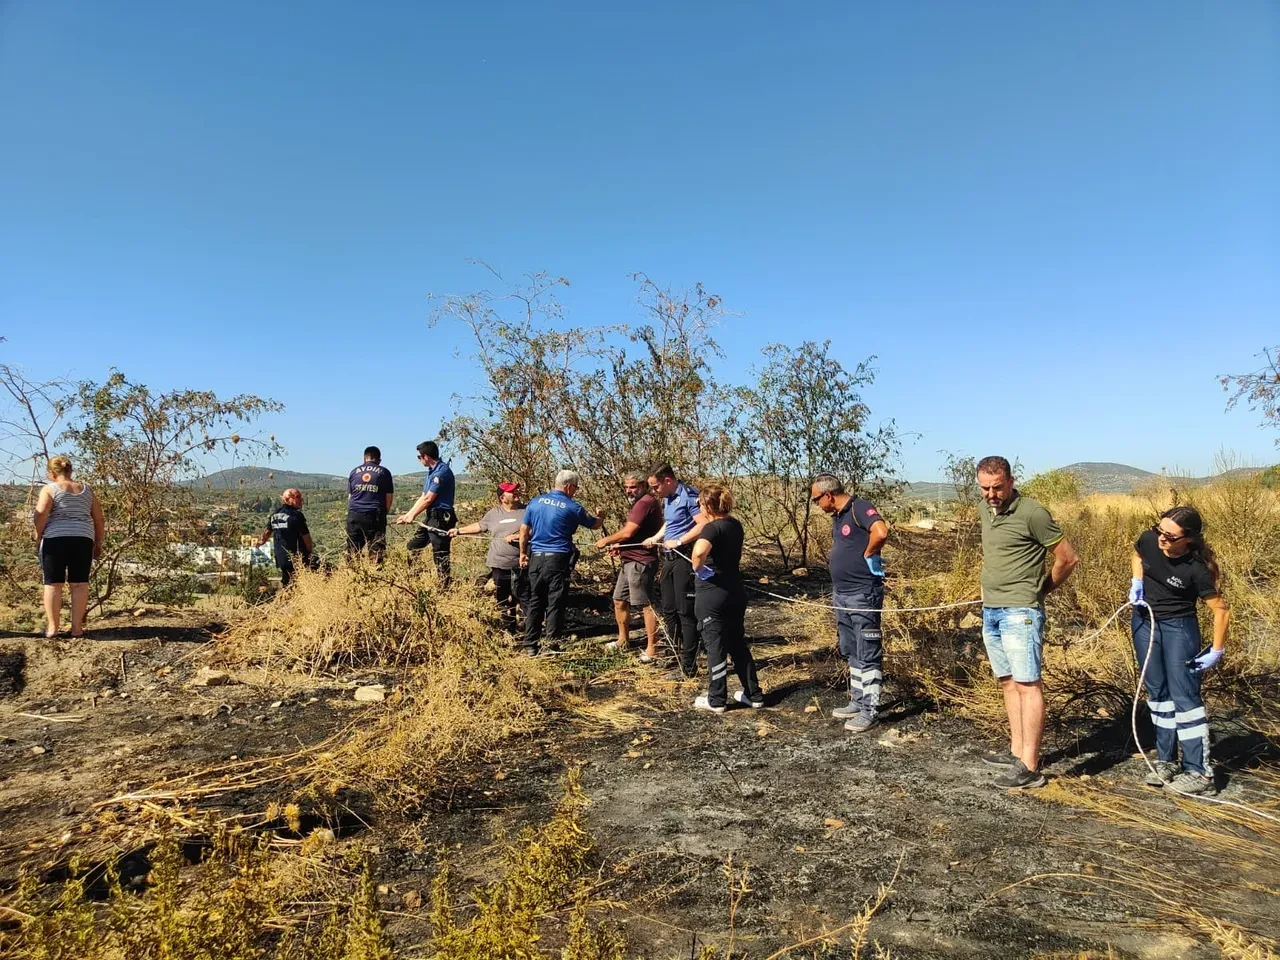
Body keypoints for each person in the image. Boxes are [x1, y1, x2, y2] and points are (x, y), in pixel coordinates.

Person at [976, 455, 1079, 789]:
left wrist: (1042, 589)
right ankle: (1016, 752)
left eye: (997, 487)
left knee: (1027, 684)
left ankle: (1031, 767)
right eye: (984, 488)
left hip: (1020, 612)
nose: (991, 494)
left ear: (1011, 481)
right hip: (990, 609)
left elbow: (1068, 557)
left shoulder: (1033, 513)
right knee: (1008, 682)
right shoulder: (984, 509)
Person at [1129, 506, 1229, 796]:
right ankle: (1166, 760)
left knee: (1184, 696)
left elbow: (1220, 611)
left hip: (1178, 628)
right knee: (1158, 693)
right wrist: (1137, 582)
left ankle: (1199, 772)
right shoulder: (1150, 539)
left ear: (1189, 539)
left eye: (1170, 536)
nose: (1162, 539)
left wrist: (1216, 650)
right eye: (1160, 531)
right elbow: (1137, 554)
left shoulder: (1196, 568)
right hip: (1144, 623)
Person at [810, 473, 889, 733]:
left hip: (863, 593)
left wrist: (869, 552)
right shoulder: (838, 517)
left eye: (816, 499)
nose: (817, 505)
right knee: (851, 649)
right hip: (841, 594)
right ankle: (857, 699)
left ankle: (871, 710)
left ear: (828, 495)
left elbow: (881, 531)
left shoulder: (859, 507)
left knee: (868, 651)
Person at [688, 484, 763, 713]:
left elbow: (699, 552)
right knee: (737, 643)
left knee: (715, 645)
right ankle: (754, 694)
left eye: (700, 503)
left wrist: (698, 567)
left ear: (708, 505)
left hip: (712, 594)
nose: (699, 507)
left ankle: (717, 699)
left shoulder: (711, 528)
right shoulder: (735, 525)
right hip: (735, 591)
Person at [518, 470, 604, 656]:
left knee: (536, 600)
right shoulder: (572, 507)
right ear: (568, 486)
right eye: (575, 488)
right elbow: (594, 525)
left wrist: (523, 553)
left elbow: (524, 530)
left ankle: (530, 644)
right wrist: (601, 516)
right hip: (557, 559)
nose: (575, 492)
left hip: (536, 557)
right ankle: (551, 644)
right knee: (555, 601)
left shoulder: (535, 502)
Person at [643, 464, 706, 681]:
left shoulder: (689, 496)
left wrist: (679, 541)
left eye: (655, 486)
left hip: (683, 558)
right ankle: (673, 654)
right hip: (668, 559)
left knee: (684, 611)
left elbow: (702, 524)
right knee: (668, 610)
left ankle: (689, 665)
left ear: (667, 480)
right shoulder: (667, 498)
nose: (653, 491)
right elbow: (669, 524)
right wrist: (656, 537)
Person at [594, 473, 664, 663]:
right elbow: (635, 534)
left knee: (645, 604)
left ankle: (652, 648)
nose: (628, 491)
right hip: (629, 558)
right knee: (619, 600)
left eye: (632, 487)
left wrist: (607, 540)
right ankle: (623, 640)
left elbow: (629, 531)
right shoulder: (640, 503)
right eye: (627, 487)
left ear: (642, 486)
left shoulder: (645, 502)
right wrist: (620, 545)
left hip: (640, 561)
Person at [33, 455, 104, 639]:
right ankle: (77, 629)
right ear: (70, 471)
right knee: (79, 584)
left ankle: (52, 629)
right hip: (82, 539)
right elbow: (98, 518)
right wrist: (99, 542)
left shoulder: (49, 489)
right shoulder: (87, 490)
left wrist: (38, 534)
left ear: (51, 473)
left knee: (53, 584)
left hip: (55, 539)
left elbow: (40, 515)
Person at [452, 481, 528, 630]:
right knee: (503, 599)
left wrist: (518, 535)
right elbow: (480, 526)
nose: (516, 493)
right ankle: (508, 630)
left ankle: (527, 630)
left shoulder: (527, 511)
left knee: (524, 597)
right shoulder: (493, 514)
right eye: (512, 492)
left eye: (516, 491)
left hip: (521, 563)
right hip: (499, 563)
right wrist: (458, 531)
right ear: (503, 498)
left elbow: (537, 529)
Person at [396, 441, 457, 580]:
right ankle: (415, 578)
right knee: (413, 546)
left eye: (419, 457)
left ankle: (444, 585)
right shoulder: (432, 472)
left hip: (441, 517)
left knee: (440, 553)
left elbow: (429, 498)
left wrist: (412, 515)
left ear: (426, 457)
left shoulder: (441, 472)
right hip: (431, 516)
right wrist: (407, 515)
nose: (419, 460)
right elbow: (423, 497)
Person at [256, 488, 315, 588]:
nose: (301, 500)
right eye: (298, 497)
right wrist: (309, 553)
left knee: (288, 583)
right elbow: (306, 537)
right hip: (297, 557)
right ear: (288, 499)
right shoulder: (296, 515)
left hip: (281, 558)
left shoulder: (274, 515)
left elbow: (266, 533)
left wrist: (260, 542)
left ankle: (286, 599)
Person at [346, 446, 394, 562]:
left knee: (352, 551)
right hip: (374, 515)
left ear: (364, 458)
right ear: (379, 460)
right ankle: (376, 576)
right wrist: (384, 514)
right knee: (376, 551)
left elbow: (350, 497)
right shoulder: (384, 472)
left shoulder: (354, 472)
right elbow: (389, 497)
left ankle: (351, 576)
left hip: (354, 514)